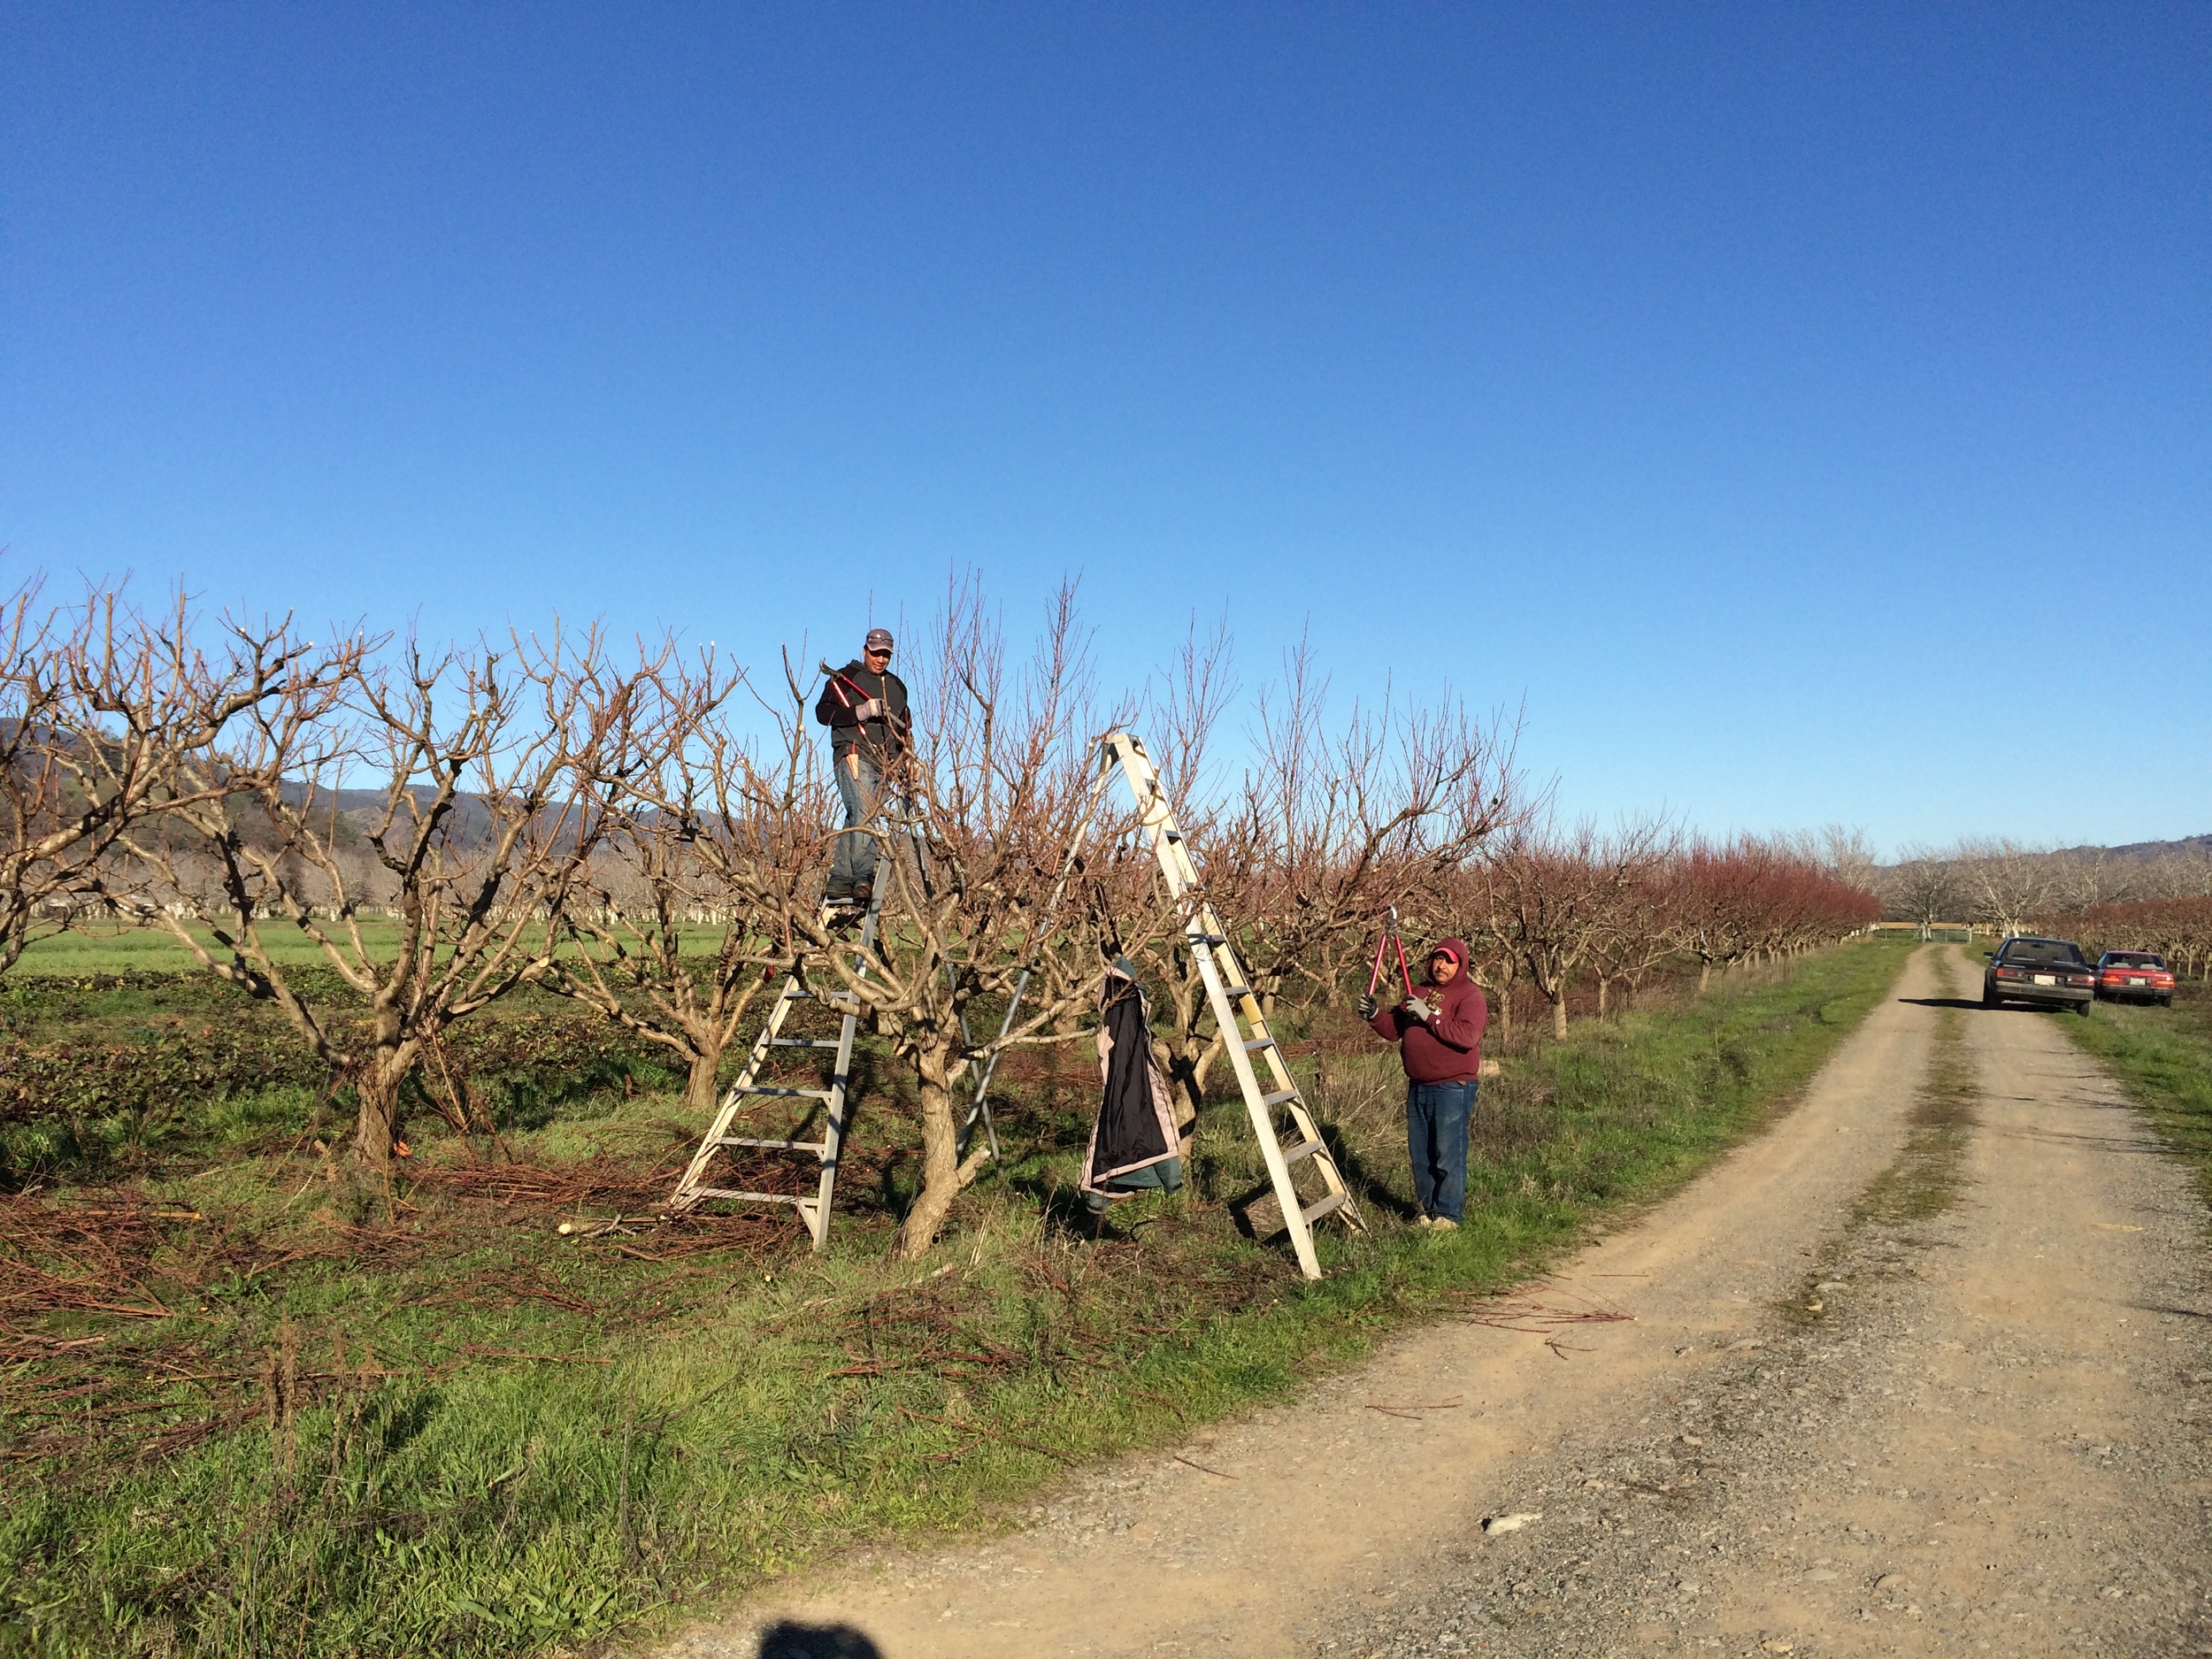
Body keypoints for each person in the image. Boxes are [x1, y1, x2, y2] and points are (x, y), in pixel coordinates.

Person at [1360, 935, 1488, 1232]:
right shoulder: (1417, 991)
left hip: (1452, 1086)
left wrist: (1430, 1016)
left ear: (1461, 965)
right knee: (1421, 1154)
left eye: (1448, 961)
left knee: (1447, 1152)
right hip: (1418, 1085)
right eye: (1437, 959)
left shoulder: (1470, 996)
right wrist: (1375, 1015)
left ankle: (1449, 1215)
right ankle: (1429, 1212)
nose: (1441, 966)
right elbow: (1394, 1030)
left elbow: (1467, 1036)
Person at [1079, 955, 1189, 1233]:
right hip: (1129, 1073)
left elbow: (1124, 1052)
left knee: (1123, 1127)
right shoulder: (1126, 1007)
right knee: (1131, 1126)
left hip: (1127, 1076)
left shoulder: (1123, 1007)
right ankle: (1102, 1203)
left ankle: (1100, 1202)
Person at [814, 627, 911, 906]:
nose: (881, 659)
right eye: (876, 653)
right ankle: (863, 879)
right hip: (854, 753)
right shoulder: (846, 678)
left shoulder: (897, 687)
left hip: (886, 763)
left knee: (857, 815)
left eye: (886, 655)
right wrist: (861, 711)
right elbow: (823, 713)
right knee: (865, 815)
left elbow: (905, 728)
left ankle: (840, 880)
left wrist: (905, 762)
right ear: (865, 650)